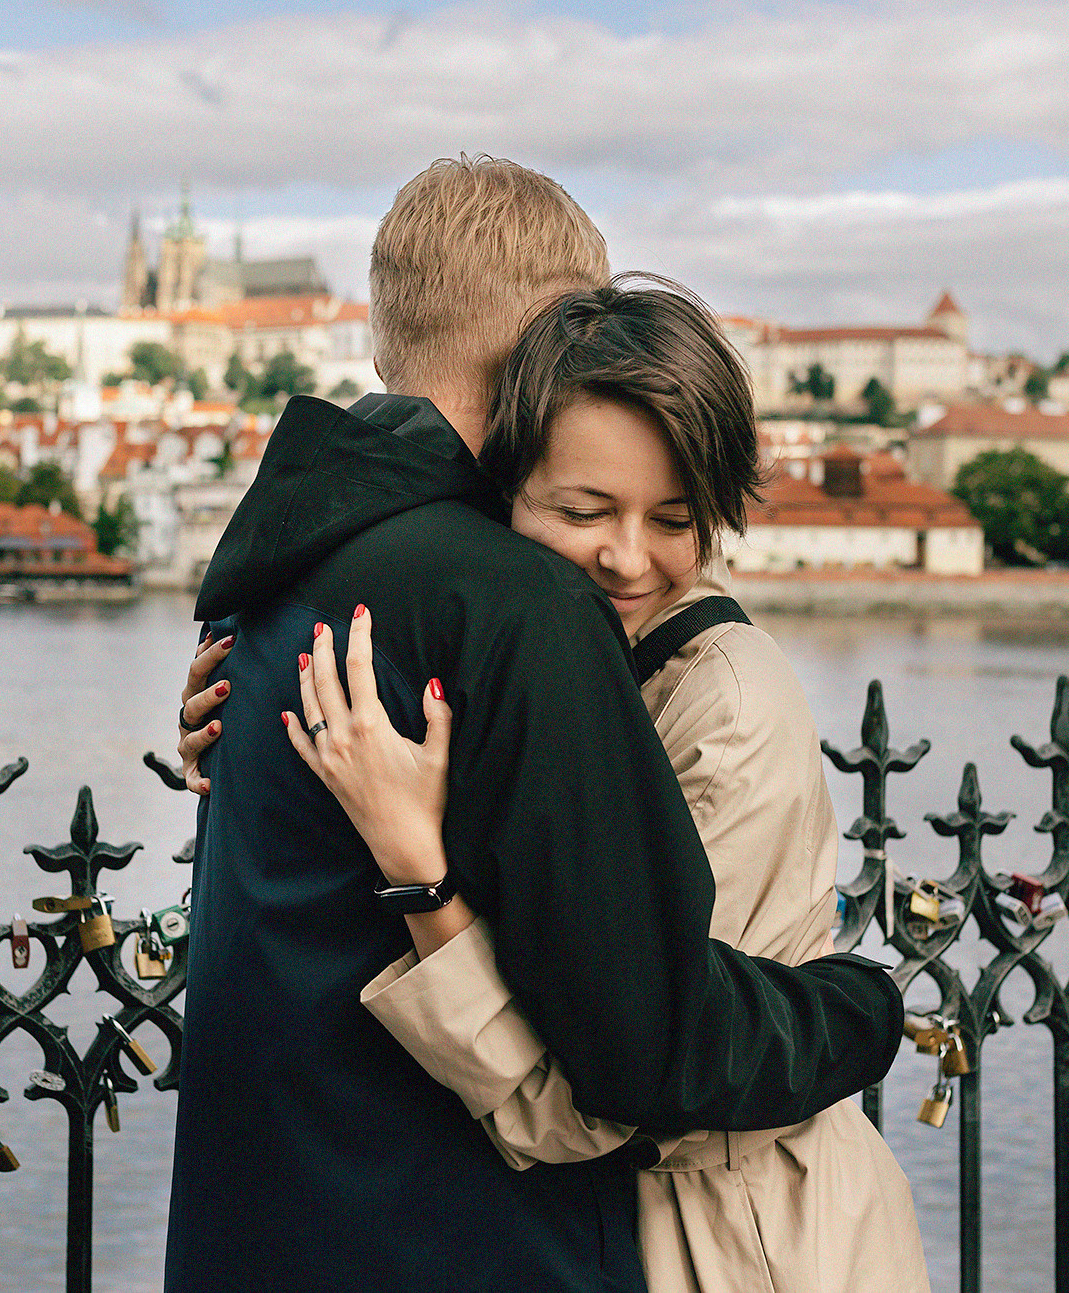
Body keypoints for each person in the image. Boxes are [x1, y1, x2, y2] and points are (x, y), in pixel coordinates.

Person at [162, 156, 903, 1292]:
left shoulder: (277, 568)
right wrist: (859, 1004)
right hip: (471, 1240)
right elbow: (642, 1048)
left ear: (381, 334)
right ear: (564, 343)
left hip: (263, 1228)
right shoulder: (511, 599)